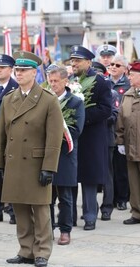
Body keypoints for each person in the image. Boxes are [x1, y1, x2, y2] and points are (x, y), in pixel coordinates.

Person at [0, 51, 63, 267]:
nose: (19, 73)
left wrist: (49, 167)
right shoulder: (9, 99)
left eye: (23, 70)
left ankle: (42, 252)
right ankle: (25, 250)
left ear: (34, 73)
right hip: (14, 162)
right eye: (17, 70)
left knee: (41, 211)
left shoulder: (47, 100)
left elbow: (54, 136)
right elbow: (0, 134)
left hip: (36, 163)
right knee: (20, 209)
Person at [70, 45, 112, 231]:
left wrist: (81, 117)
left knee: (89, 179)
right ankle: (69, 216)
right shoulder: (69, 81)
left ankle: (89, 216)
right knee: (70, 178)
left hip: (91, 137)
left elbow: (105, 109)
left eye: (78, 60)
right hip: (71, 136)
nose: (74, 64)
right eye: (72, 60)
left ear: (88, 62)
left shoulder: (100, 82)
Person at [48, 67, 85, 245]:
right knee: (46, 197)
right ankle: (47, 229)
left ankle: (65, 230)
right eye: (50, 80)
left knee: (65, 197)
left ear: (65, 82)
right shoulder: (45, 100)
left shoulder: (75, 102)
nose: (53, 84)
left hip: (65, 154)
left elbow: (76, 130)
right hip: (46, 155)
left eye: (56, 81)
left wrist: (53, 133)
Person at [0, 54, 18, 224]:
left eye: (2, 68)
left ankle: (14, 210)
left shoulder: (16, 87)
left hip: (11, 137)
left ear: (10, 69)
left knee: (11, 175)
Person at [92, 62, 120, 221]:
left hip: (107, 138)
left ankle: (107, 207)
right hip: (91, 139)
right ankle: (91, 207)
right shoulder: (85, 92)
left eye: (98, 74)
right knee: (91, 175)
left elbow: (114, 115)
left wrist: (96, 117)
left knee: (107, 174)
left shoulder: (112, 93)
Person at [116, 61, 140, 225]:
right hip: (132, 145)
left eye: (132, 74)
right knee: (134, 181)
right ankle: (137, 212)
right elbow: (121, 120)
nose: (129, 77)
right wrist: (120, 141)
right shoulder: (128, 94)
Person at [108, 55, 131, 211]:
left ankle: (122, 198)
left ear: (125, 69)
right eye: (111, 64)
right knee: (110, 167)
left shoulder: (129, 85)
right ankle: (112, 198)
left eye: (117, 65)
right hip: (108, 129)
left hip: (123, 130)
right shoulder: (104, 83)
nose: (114, 67)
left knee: (121, 167)